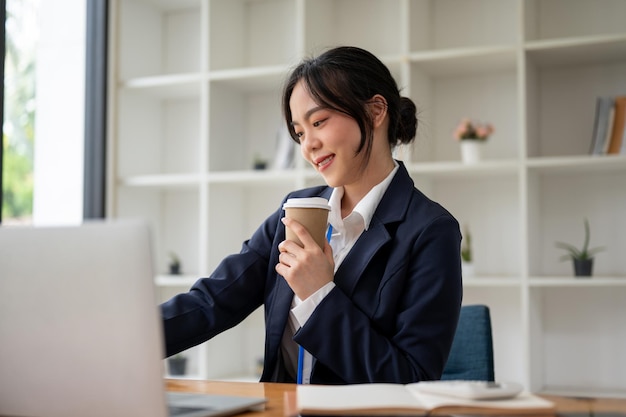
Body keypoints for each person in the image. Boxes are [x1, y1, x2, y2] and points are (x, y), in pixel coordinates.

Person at [161, 46, 463, 385]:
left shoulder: (430, 231)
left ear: (377, 111)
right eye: (300, 132)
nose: (308, 146)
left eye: (318, 122)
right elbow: (211, 303)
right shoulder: (296, 209)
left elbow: (410, 379)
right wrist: (118, 340)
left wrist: (319, 293)